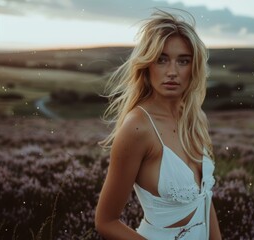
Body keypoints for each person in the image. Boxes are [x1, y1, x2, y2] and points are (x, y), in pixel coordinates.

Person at [95, 9, 222, 240]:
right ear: (147, 65)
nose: (172, 72)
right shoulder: (138, 128)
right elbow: (106, 221)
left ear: (194, 68)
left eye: (183, 61)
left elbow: (204, 198)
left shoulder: (195, 119)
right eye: (161, 60)